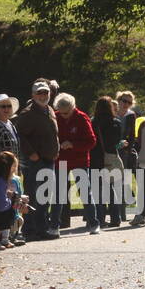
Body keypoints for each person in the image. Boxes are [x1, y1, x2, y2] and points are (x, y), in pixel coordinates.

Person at [13, 82, 59, 240]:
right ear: (33, 95)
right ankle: (30, 230)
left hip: (48, 160)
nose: (43, 96)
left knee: (45, 196)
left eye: (45, 93)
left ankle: (42, 228)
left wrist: (56, 151)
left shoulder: (50, 110)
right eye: (39, 93)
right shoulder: (27, 113)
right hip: (35, 161)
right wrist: (31, 153)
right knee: (32, 195)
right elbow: (20, 135)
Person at [52, 92, 96, 234]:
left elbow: (91, 141)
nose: (63, 115)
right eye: (61, 112)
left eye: (66, 113)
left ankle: (94, 224)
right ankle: (54, 226)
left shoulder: (82, 118)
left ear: (73, 107)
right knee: (59, 193)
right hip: (61, 161)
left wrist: (72, 144)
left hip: (80, 160)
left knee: (85, 193)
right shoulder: (56, 116)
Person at [90, 96, 124, 229]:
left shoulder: (93, 122)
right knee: (110, 189)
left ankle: (99, 218)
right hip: (110, 157)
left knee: (97, 191)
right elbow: (116, 142)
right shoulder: (116, 122)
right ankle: (116, 217)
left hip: (96, 158)